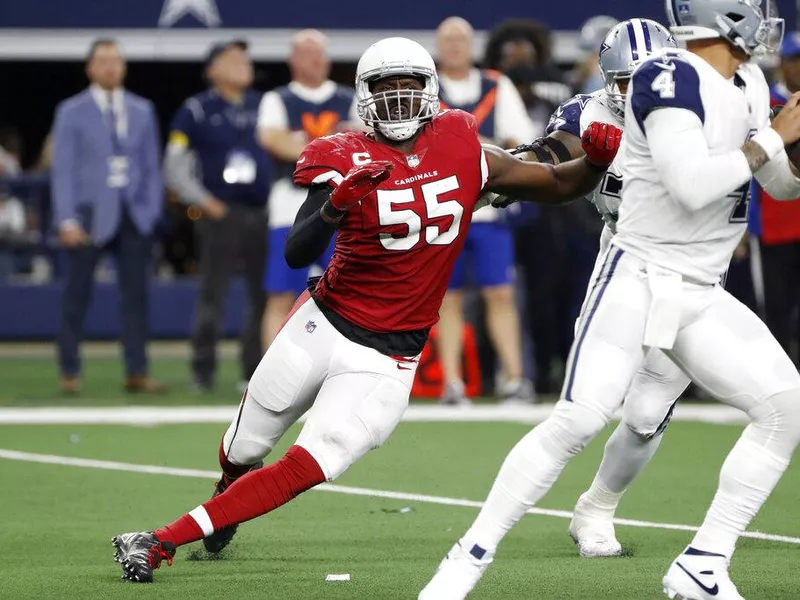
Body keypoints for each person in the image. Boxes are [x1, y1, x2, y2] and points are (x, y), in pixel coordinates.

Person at [110, 36, 622, 583]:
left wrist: (593, 161)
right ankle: (224, 502)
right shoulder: (340, 153)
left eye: (409, 85)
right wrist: (334, 205)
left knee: (307, 464)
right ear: (365, 94)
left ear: (430, 91)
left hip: (387, 356)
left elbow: (555, 184)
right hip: (322, 321)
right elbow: (296, 250)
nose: (399, 98)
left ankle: (161, 539)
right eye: (386, 86)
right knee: (243, 447)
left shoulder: (460, 143)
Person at [420, 0, 800, 597]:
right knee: (580, 418)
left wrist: (789, 148)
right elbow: (685, 182)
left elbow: (778, 183)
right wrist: (773, 140)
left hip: (702, 285)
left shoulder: (750, 82)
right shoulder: (660, 80)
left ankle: (698, 559)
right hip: (638, 273)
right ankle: (465, 561)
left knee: (772, 407)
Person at [507, 18, 684, 559]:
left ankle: (598, 506)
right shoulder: (588, 113)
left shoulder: (706, 106)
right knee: (586, 408)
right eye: (629, 80)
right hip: (626, 256)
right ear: (609, 80)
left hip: (696, 269)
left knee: (649, 413)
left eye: (652, 76)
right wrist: (502, 175)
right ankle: (484, 535)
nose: (642, 91)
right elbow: (551, 157)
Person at [51, 39, 165, 395]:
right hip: (89, 215)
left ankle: (137, 371)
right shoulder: (71, 111)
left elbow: (151, 165)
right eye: (103, 61)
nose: (110, 67)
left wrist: (150, 212)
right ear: (90, 68)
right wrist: (66, 219)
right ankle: (70, 370)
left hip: (133, 215)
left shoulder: (142, 109)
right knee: (76, 294)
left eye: (116, 61)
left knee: (136, 297)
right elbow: (63, 170)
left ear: (124, 67)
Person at [435, 16, 537, 404]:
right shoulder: (428, 89)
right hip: (442, 210)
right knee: (449, 297)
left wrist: (494, 149)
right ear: (438, 47)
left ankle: (514, 379)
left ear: (472, 45)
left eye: (461, 40)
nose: (455, 47)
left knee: (500, 293)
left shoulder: (496, 84)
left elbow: (525, 140)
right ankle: (452, 383)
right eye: (448, 41)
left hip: (489, 210)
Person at [164, 40, 270, 392]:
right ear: (213, 69)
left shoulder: (263, 105)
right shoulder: (195, 110)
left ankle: (252, 371)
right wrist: (204, 201)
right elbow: (174, 166)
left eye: (245, 57)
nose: (243, 63)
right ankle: (203, 371)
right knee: (214, 293)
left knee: (262, 295)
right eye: (232, 59)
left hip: (261, 212)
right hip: (220, 213)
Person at [258, 29, 358, 349]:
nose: (317, 60)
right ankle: (270, 371)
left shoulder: (347, 97)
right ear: (293, 60)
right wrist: (333, 145)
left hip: (340, 206)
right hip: (290, 204)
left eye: (320, 54)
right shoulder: (278, 98)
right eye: (308, 54)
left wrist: (302, 144)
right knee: (281, 292)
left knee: (346, 289)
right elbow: (272, 140)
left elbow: (364, 141)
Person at [749, 31, 800, 366]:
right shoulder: (761, 100)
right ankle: (779, 378)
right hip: (773, 223)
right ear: (782, 62)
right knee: (775, 309)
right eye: (797, 59)